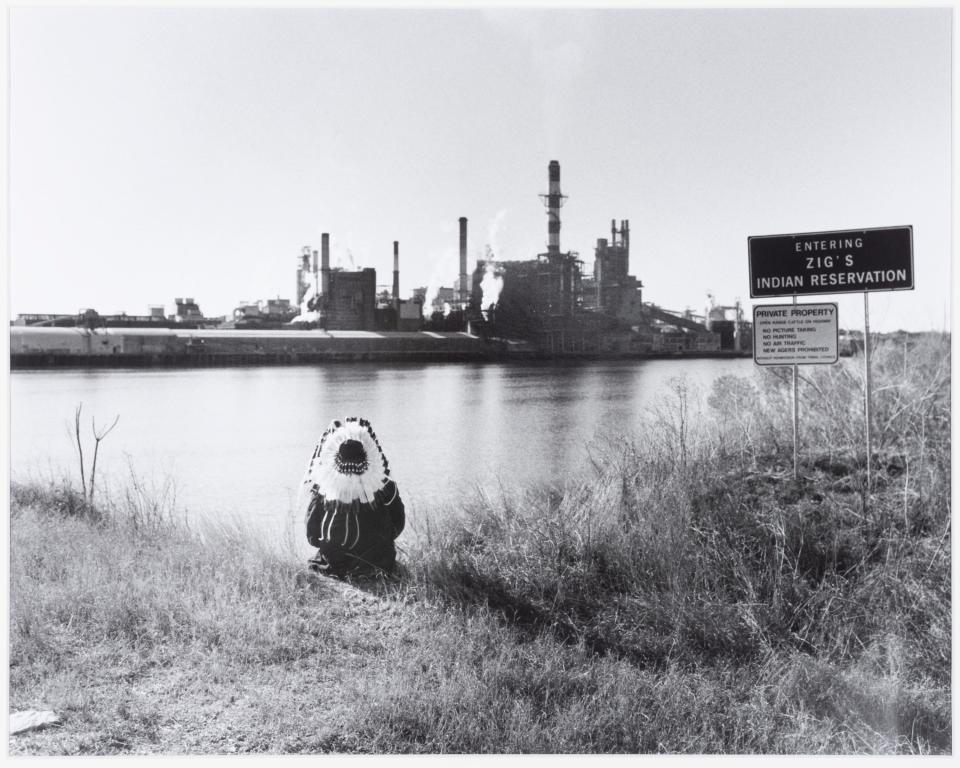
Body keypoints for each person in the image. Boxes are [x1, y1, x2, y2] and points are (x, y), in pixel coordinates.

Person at [299, 417, 405, 578]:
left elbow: (312, 537)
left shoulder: (324, 490)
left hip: (334, 565)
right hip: (378, 563)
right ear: (368, 455)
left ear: (334, 458)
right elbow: (398, 524)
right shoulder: (384, 485)